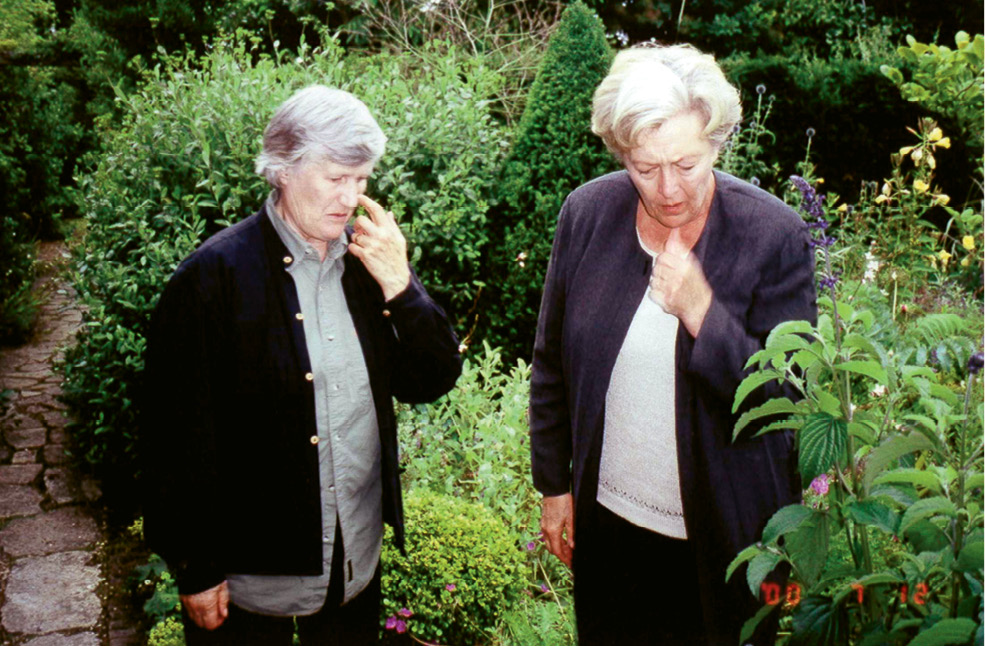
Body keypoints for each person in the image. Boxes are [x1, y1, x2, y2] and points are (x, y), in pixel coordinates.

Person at [141, 85, 462, 646]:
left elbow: (431, 379)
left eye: (361, 181)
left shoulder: (367, 264)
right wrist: (196, 566)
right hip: (251, 590)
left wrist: (401, 285)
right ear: (283, 170)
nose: (351, 197)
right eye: (336, 178)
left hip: (355, 570)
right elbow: (175, 435)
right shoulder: (212, 278)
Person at [529, 44, 817, 645]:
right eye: (644, 167)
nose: (666, 189)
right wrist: (555, 487)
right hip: (609, 529)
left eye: (686, 164)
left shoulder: (774, 237)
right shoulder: (587, 214)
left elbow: (786, 400)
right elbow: (552, 363)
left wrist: (700, 311)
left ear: (716, 141)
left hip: (721, 539)